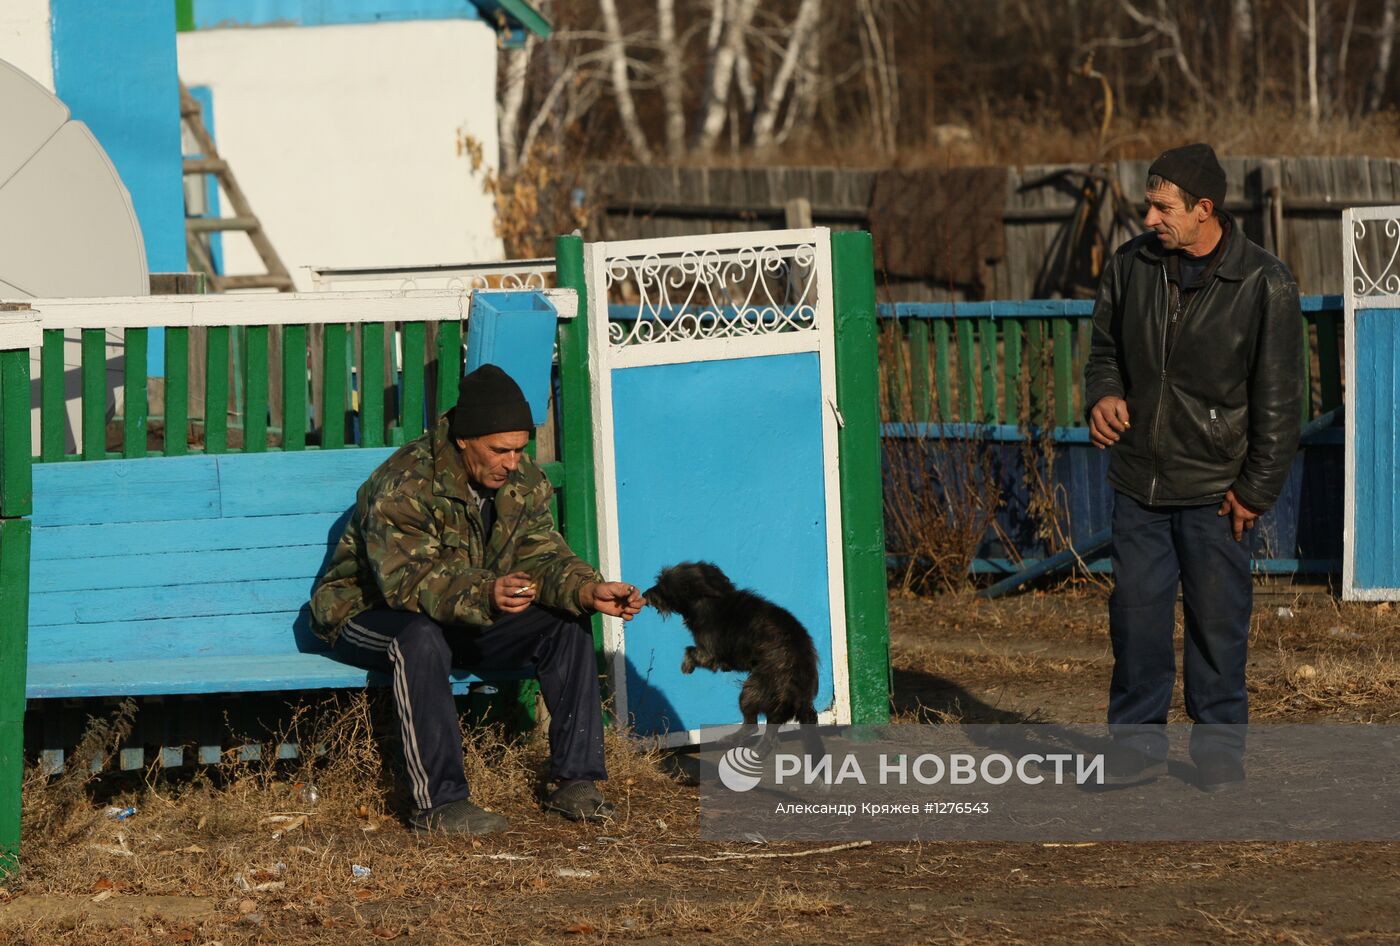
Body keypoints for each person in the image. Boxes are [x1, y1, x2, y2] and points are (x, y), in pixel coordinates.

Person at [310, 364, 645, 834]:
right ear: (464, 439)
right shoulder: (405, 485)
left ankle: (577, 783)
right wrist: (486, 592)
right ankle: (440, 805)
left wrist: (586, 590)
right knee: (420, 637)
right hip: (366, 613)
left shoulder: (520, 480)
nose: (511, 462)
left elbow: (543, 555)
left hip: (466, 612)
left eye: (519, 450)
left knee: (564, 625)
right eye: (500, 450)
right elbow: (406, 582)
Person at [1084, 143, 1302, 790]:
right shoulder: (1130, 268)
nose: (1148, 218)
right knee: (1137, 621)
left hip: (1217, 489)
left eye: (1161, 206)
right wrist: (1103, 394)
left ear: (1205, 209)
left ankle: (1218, 755)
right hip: (1140, 485)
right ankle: (1134, 750)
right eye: (1149, 205)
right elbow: (1103, 352)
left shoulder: (1265, 282)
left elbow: (1281, 399)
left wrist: (1256, 491)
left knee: (1217, 624)